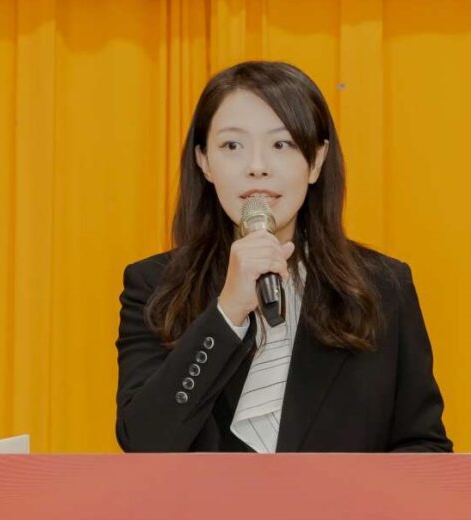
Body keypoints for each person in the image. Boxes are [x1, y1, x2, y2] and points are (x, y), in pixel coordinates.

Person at [115, 60, 452, 453]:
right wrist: (227, 313)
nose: (257, 168)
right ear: (204, 162)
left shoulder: (382, 287)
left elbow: (423, 446)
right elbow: (144, 442)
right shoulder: (154, 284)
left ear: (317, 161)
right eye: (232, 146)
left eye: (281, 144)